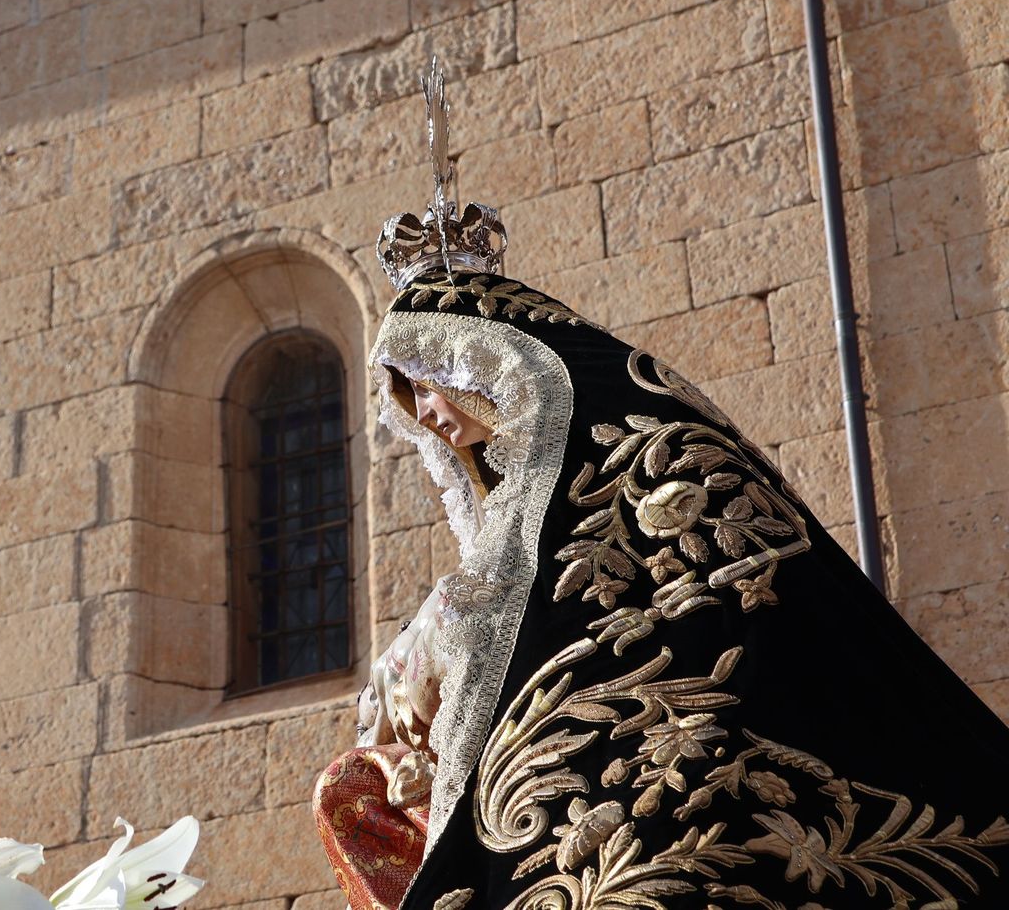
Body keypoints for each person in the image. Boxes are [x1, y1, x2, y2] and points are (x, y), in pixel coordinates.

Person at [313, 65, 1009, 910]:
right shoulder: (512, 523)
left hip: (690, 770)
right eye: (410, 399)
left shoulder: (651, 446)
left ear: (494, 366)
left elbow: (690, 605)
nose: (429, 413)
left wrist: (425, 651)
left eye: (432, 382)